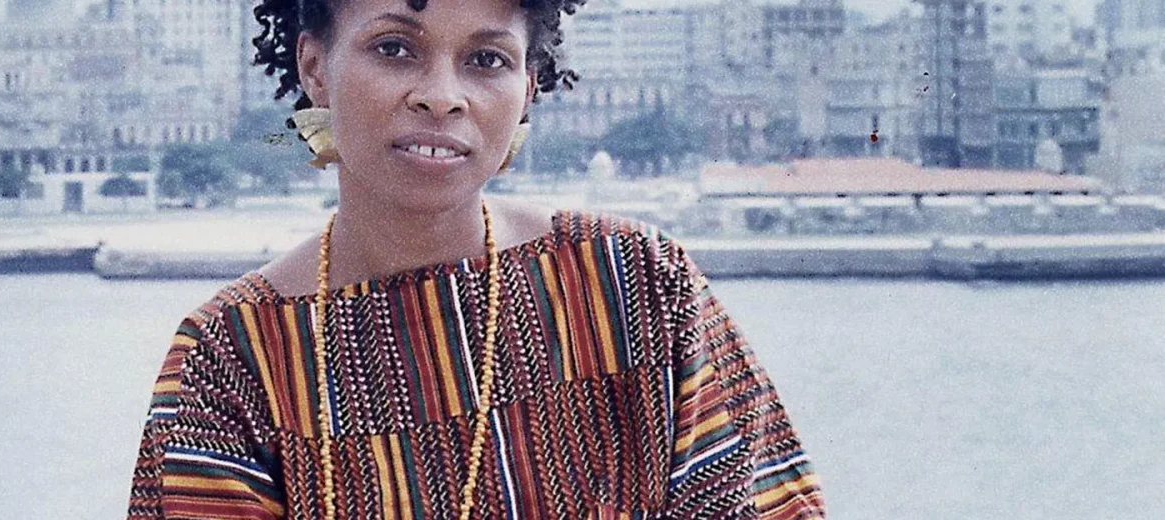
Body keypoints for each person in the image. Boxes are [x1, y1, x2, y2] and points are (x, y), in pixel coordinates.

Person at [128, 0, 826, 518]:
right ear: (316, 68)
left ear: (526, 90)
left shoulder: (635, 285)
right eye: (395, 48)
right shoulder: (235, 353)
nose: (442, 94)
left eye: (486, 59)